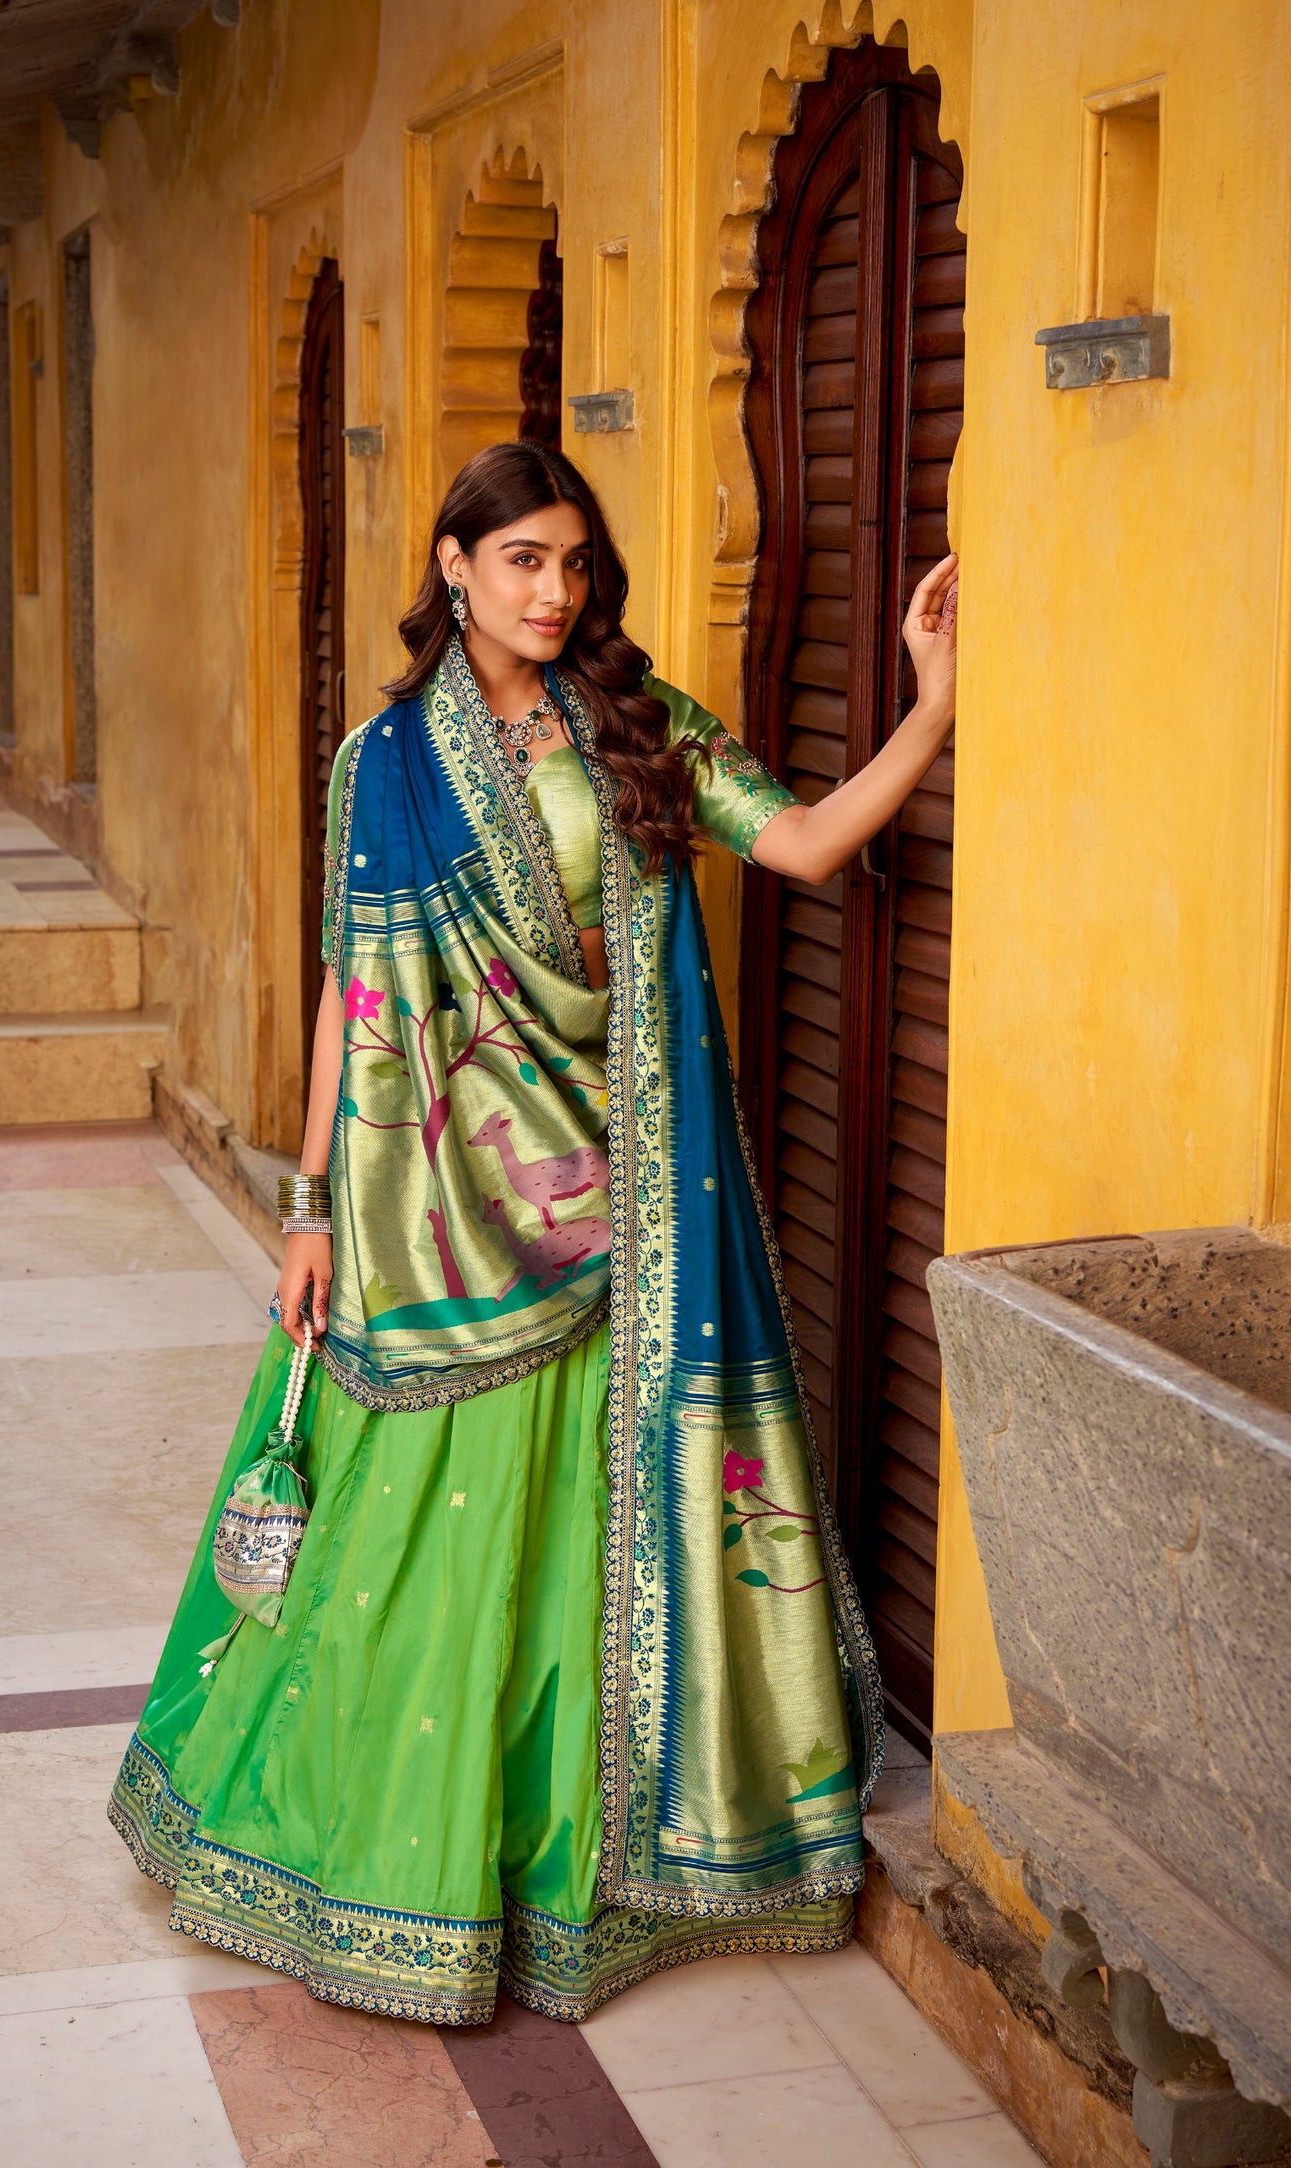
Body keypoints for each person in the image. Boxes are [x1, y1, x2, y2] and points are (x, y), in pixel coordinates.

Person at [110, 440, 958, 2025]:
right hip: (437, 1213)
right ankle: (390, 1858)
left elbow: (801, 844)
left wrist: (928, 701)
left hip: (629, 1197)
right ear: (452, 567)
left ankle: (575, 1862)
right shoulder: (387, 761)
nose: (555, 592)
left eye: (575, 563)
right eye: (522, 562)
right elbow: (355, 995)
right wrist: (308, 1213)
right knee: (428, 1529)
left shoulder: (637, 725)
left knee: (597, 1532)